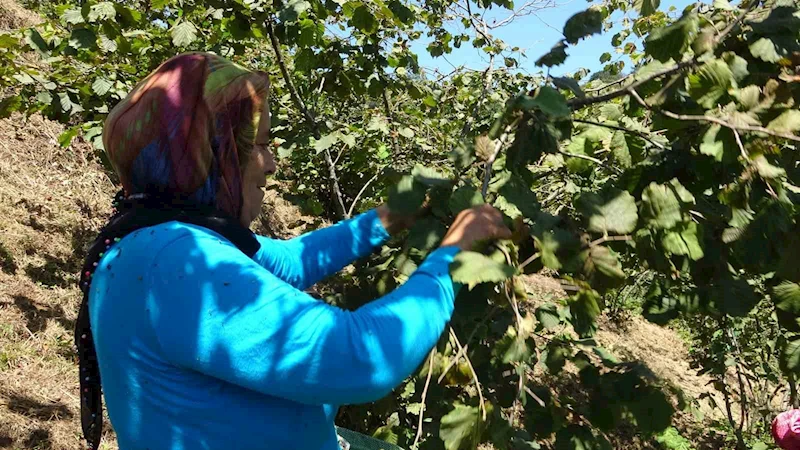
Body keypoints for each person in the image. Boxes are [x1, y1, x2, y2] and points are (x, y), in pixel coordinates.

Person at [74, 52, 511, 450]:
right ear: (216, 153)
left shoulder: (151, 236)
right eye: (261, 145)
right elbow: (360, 358)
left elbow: (289, 261)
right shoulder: (178, 261)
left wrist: (390, 217)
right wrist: (453, 256)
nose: (271, 163)